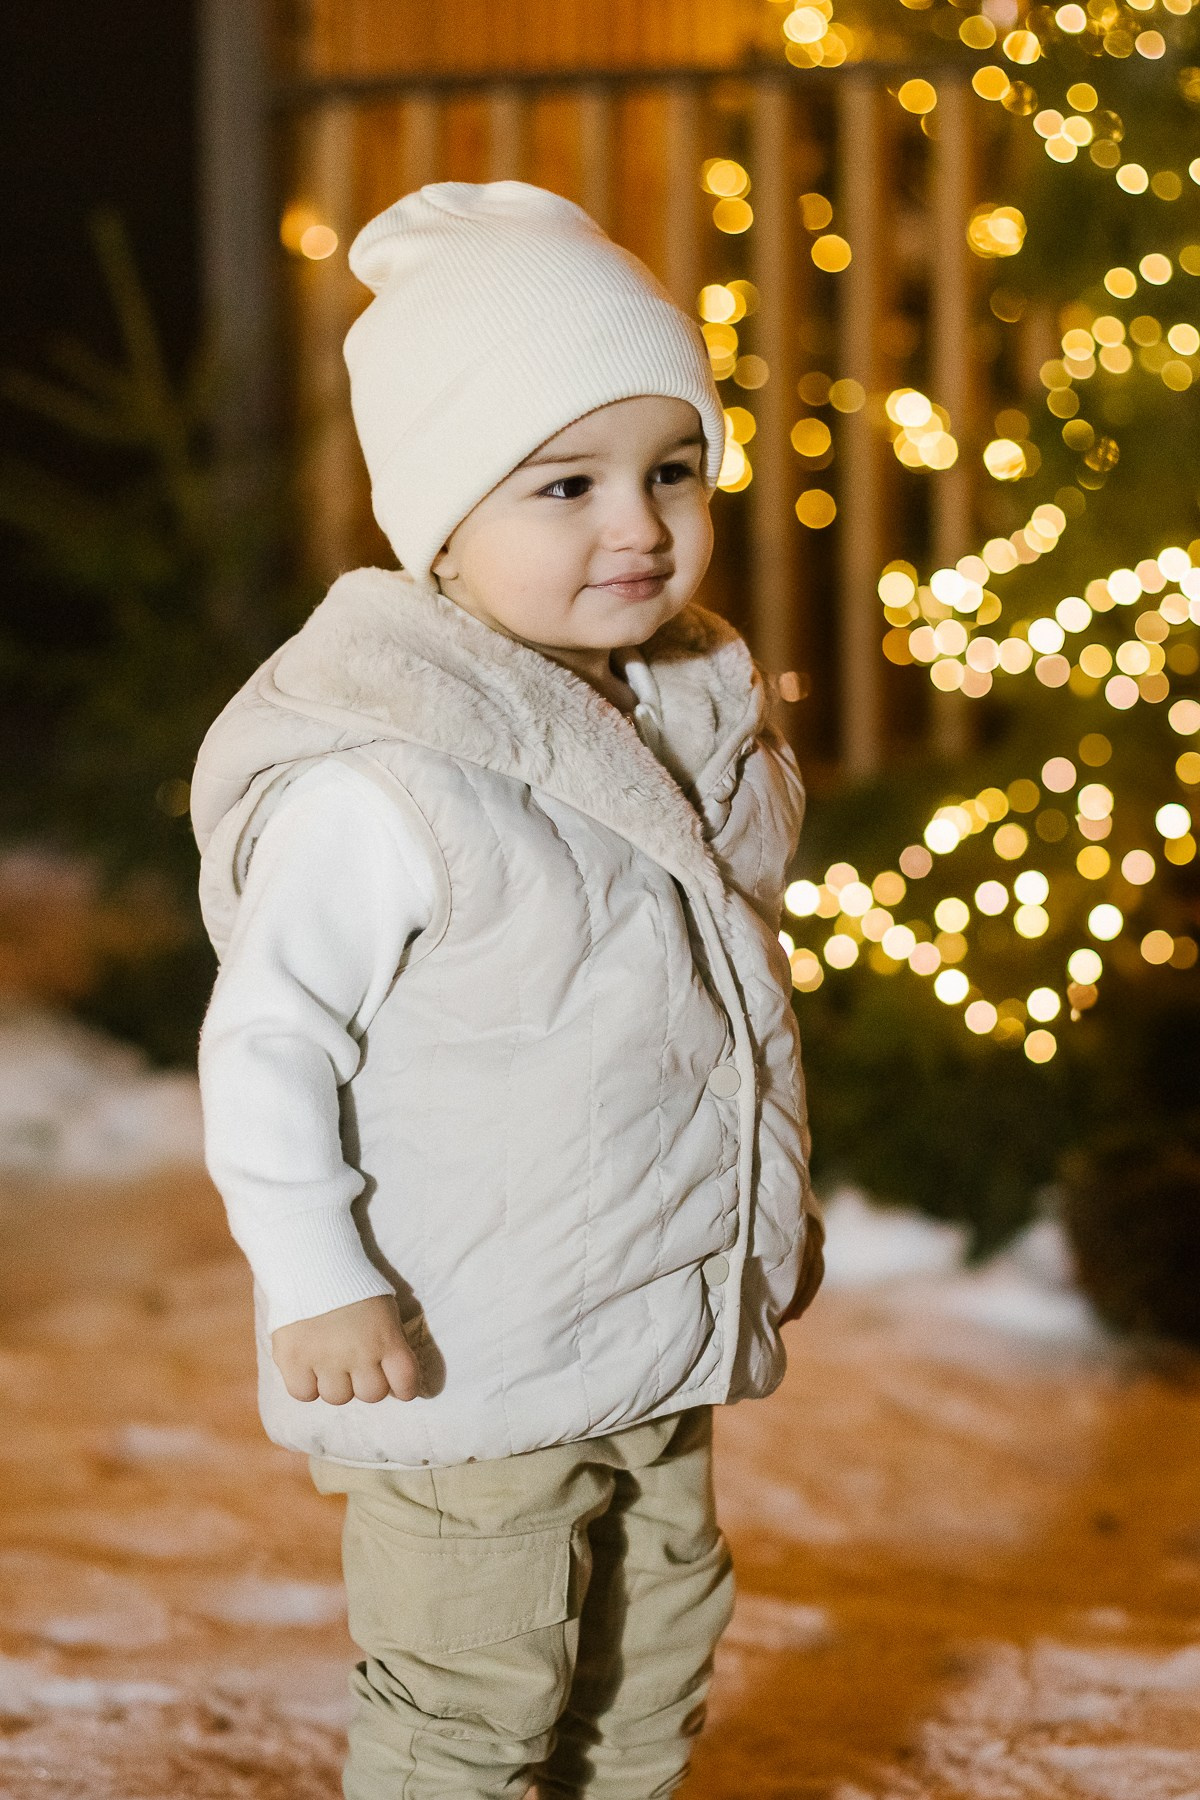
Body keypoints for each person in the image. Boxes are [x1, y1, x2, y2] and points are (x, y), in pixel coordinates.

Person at [191, 179, 823, 1800]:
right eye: (567, 483)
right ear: (444, 522)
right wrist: (314, 1272)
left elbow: (719, 1014)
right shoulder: (388, 778)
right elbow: (268, 1042)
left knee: (652, 1645)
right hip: (458, 1342)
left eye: (672, 470)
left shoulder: (684, 721)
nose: (641, 525)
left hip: (646, 1319)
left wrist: (758, 1221)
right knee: (475, 1685)